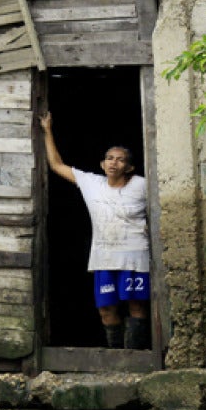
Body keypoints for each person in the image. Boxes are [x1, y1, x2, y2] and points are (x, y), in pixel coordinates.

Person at [39, 112, 151, 349]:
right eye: (109, 158)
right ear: (102, 164)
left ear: (129, 167)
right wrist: (47, 130)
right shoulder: (92, 183)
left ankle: (135, 357)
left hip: (135, 257)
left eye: (120, 159)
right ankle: (116, 356)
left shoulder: (142, 185)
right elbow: (56, 165)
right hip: (104, 257)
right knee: (106, 308)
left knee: (136, 306)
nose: (113, 162)